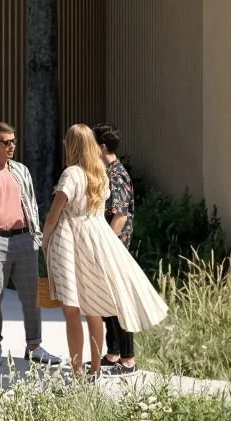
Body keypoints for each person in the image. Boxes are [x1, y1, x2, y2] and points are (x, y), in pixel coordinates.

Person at [41, 122, 167, 377]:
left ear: (72, 144)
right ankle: (96, 368)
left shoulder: (72, 174)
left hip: (71, 240)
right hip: (96, 238)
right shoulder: (100, 173)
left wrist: (44, 241)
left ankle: (78, 373)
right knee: (95, 308)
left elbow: (55, 214)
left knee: (72, 310)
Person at [0, 120, 60, 369]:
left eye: (14, 141)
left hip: (25, 240)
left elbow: (31, 203)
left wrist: (36, 236)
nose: (12, 146)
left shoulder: (21, 170)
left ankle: (34, 346)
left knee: (31, 298)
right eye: (6, 142)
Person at [93, 123, 137, 373]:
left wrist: (105, 245)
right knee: (108, 303)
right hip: (111, 249)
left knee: (119, 304)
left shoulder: (115, 175)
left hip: (115, 250)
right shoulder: (107, 172)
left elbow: (119, 216)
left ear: (101, 147)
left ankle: (128, 359)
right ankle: (113, 353)